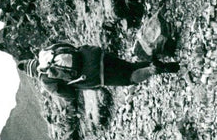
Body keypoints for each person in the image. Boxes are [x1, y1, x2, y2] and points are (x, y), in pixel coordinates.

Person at [17, 41, 179, 102]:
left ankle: (153, 69)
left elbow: (70, 95)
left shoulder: (46, 81)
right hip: (93, 54)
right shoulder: (49, 50)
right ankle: (169, 67)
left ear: (33, 74)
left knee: (129, 78)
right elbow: (70, 47)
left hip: (94, 75)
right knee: (129, 66)